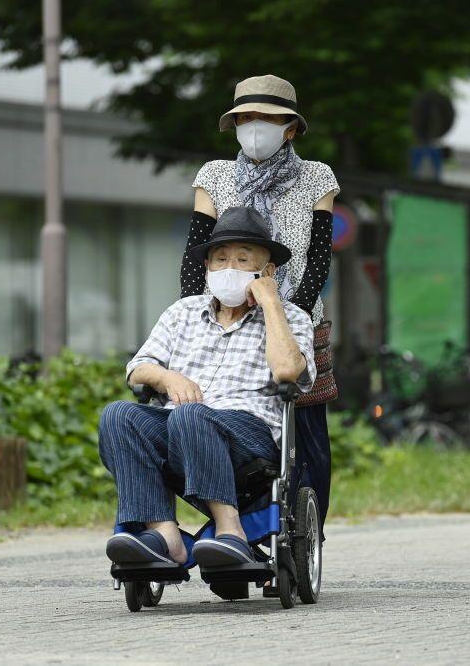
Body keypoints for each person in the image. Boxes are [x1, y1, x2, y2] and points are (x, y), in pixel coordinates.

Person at [99, 207, 316, 568]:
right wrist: (168, 378)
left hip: (248, 433)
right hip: (180, 426)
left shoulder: (291, 317)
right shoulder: (182, 312)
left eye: (243, 260)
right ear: (207, 268)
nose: (229, 268)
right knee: (118, 415)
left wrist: (271, 302)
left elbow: (288, 371)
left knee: (191, 415)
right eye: (220, 259)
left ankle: (231, 532)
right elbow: (137, 369)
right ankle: (166, 536)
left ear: (268, 271)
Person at [181, 74, 338, 530]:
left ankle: (307, 536)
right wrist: (197, 317)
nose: (255, 126)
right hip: (225, 319)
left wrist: (290, 318)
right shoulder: (214, 176)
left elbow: (319, 259)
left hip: (295, 318)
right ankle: (236, 524)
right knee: (220, 417)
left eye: (267, 118)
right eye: (246, 117)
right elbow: (194, 258)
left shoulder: (317, 178)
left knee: (306, 437)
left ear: (289, 128)